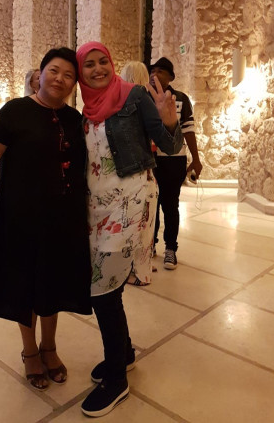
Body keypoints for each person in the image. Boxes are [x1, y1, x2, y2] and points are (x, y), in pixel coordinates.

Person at [0, 48, 92, 391]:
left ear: (74, 84)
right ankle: (30, 352)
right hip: (21, 216)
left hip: (63, 219)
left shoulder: (75, 119)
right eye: (54, 70)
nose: (60, 79)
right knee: (25, 283)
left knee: (53, 284)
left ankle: (49, 347)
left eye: (68, 75)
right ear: (40, 74)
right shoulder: (15, 111)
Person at [76, 42, 183, 417]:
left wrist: (169, 121)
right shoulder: (86, 112)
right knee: (109, 286)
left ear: (112, 63)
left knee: (102, 291)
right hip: (98, 208)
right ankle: (124, 353)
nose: (98, 69)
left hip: (131, 202)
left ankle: (117, 379)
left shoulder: (134, 96)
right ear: (80, 73)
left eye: (103, 61)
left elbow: (168, 143)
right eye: (89, 65)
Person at [149, 57, 203, 270]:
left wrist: (196, 159)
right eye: (152, 71)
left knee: (170, 204)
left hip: (174, 160)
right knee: (150, 204)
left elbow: (188, 129)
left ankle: (170, 248)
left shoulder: (180, 99)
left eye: (160, 71)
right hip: (149, 160)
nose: (155, 74)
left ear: (171, 77)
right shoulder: (144, 98)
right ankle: (149, 244)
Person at [120, 60, 156, 287]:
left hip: (132, 170)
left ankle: (138, 271)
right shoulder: (148, 101)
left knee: (134, 224)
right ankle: (144, 267)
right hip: (147, 169)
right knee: (146, 222)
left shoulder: (129, 102)